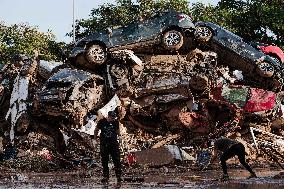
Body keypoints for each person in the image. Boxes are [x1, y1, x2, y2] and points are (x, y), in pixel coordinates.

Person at [94, 110, 122, 184]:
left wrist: (119, 137)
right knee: (104, 161)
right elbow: (96, 130)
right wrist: (95, 139)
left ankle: (118, 176)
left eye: (114, 118)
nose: (113, 119)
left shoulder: (116, 122)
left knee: (117, 160)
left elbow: (118, 131)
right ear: (108, 117)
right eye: (112, 118)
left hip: (114, 144)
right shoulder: (102, 122)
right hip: (104, 144)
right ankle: (105, 177)